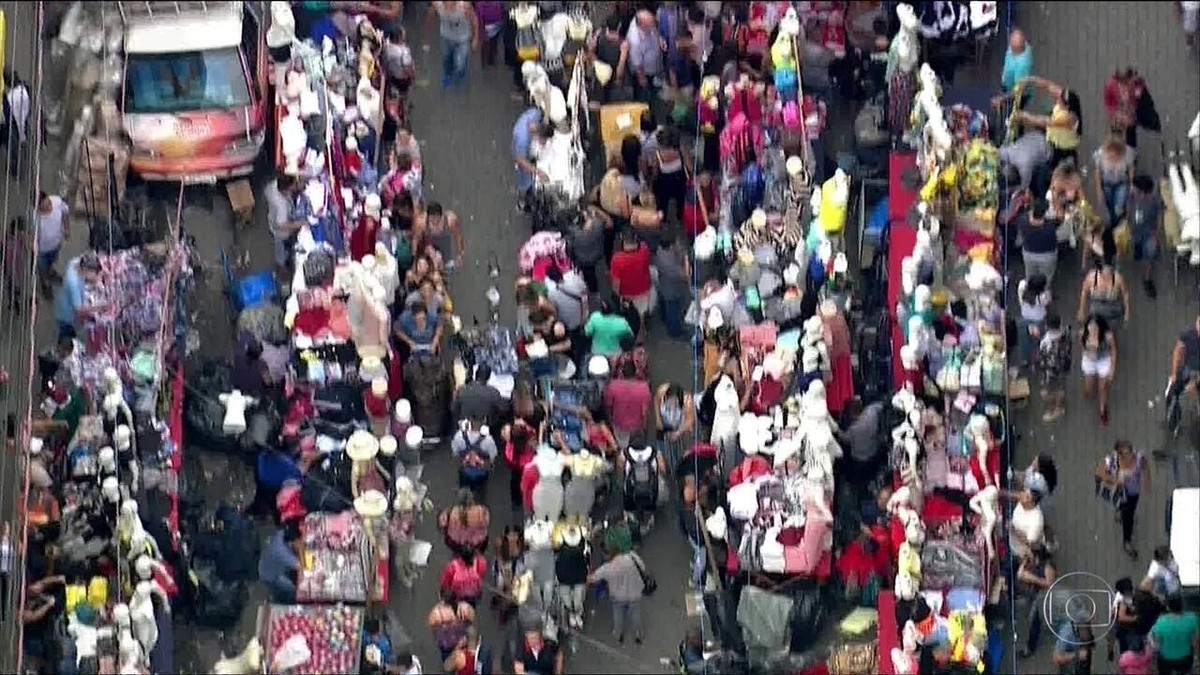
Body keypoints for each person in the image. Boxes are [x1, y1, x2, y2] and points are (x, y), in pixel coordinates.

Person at [1096, 439, 1148, 557]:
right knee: (1127, 518)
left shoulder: (1137, 458)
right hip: (1123, 494)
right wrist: (1117, 479)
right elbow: (1104, 475)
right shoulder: (1112, 461)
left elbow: (1142, 464)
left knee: (1130, 510)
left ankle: (1119, 514)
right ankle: (1127, 542)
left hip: (1134, 493)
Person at [588, 547, 650, 644]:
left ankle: (618, 634)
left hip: (618, 596)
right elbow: (643, 567)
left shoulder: (606, 569)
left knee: (618, 615)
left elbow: (591, 579)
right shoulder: (631, 556)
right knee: (635, 615)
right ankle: (637, 635)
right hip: (635, 592)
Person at [1018, 545, 1058, 658]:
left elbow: (1050, 584)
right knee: (1035, 619)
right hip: (1034, 594)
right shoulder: (1031, 562)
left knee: (1034, 621)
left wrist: (1031, 578)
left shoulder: (1048, 567)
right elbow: (1020, 574)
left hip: (1043, 597)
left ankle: (1030, 648)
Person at [427, 1, 479, 88]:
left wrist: (475, 39)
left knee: (460, 65)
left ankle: (460, 76)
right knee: (446, 59)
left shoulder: (464, 6)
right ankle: (447, 75)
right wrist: (427, 35)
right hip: (446, 38)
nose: (448, 7)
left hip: (462, 40)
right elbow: (430, 16)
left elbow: (474, 20)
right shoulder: (437, 4)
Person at [1079, 311, 1119, 423]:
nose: (1092, 330)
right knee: (1088, 387)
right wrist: (1086, 353)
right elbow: (1082, 347)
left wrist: (1112, 368)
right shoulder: (1083, 333)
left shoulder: (1107, 335)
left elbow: (1113, 350)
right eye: (1090, 327)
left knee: (1103, 388)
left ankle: (1102, 409)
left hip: (1104, 360)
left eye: (1095, 328)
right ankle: (1089, 392)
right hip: (1089, 361)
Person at [544, 266, 589, 366]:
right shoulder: (574, 278)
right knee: (581, 340)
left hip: (569, 323)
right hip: (581, 318)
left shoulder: (552, 294)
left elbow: (554, 311)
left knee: (573, 343)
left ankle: (575, 361)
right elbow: (584, 294)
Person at [1126, 175, 1162, 297]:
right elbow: (1127, 210)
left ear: (1142, 192)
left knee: (1150, 252)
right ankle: (1137, 252)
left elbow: (1159, 217)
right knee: (1137, 247)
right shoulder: (1131, 197)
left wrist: (1156, 236)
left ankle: (1147, 278)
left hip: (1148, 233)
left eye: (1135, 187)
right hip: (1134, 231)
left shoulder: (1154, 200)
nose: (1132, 188)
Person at [1092, 131, 1137, 228]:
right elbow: (1098, 172)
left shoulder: (1128, 153)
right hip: (1107, 183)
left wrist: (1132, 183)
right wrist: (1099, 190)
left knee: (1118, 207)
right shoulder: (1100, 154)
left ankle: (1119, 221)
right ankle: (1113, 223)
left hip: (1121, 183)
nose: (1112, 157)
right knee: (1109, 205)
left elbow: (1131, 168)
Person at [54, 252, 102, 340]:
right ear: (85, 270)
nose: (95, 276)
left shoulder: (75, 262)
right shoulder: (74, 284)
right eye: (94, 273)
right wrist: (99, 308)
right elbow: (79, 311)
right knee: (66, 336)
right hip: (67, 315)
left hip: (64, 301)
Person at [604, 361, 652, 449]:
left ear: (622, 373)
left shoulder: (613, 386)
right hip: (637, 427)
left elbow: (608, 407)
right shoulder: (644, 387)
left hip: (619, 425)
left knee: (622, 449)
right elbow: (645, 412)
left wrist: (610, 423)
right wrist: (645, 428)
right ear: (635, 372)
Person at [264, 174, 305, 274]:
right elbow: (282, 224)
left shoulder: (272, 185)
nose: (294, 187)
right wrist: (301, 224)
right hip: (281, 233)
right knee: (284, 251)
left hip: (272, 219)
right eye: (292, 187)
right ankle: (284, 268)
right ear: (285, 190)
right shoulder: (281, 205)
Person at [624, 9, 666, 105]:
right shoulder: (635, 40)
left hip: (655, 68)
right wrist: (643, 80)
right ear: (642, 26)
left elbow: (654, 31)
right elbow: (637, 65)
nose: (653, 26)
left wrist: (660, 39)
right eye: (651, 25)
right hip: (644, 74)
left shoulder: (646, 23)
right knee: (644, 99)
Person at [610, 234, 654, 324]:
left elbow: (616, 283)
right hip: (644, 291)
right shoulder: (644, 249)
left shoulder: (617, 259)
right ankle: (641, 334)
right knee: (641, 315)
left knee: (628, 316)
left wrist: (617, 297)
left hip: (627, 295)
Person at [1150, 594, 1199, 675]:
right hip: (1185, 658)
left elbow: (1157, 643)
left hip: (1165, 659)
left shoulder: (1160, 621)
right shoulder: (1192, 618)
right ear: (1183, 605)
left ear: (1168, 606)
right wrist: (1196, 656)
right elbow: (1196, 640)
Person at [655, 235, 692, 339]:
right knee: (673, 312)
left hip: (664, 285)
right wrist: (686, 257)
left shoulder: (660, 250)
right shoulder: (668, 264)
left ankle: (664, 318)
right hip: (672, 291)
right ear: (671, 246)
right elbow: (686, 274)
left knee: (667, 308)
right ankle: (674, 332)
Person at [589, 14, 631, 105]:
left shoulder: (599, 36)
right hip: (613, 78)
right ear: (619, 26)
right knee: (612, 106)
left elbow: (590, 51)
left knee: (600, 105)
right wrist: (618, 79)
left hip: (600, 77)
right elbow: (621, 65)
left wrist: (597, 64)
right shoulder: (623, 44)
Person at [1018, 197, 1060, 285]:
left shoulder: (1023, 221)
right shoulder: (1050, 226)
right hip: (1047, 256)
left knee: (1029, 276)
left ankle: (1030, 293)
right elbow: (1060, 218)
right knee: (1046, 278)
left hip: (1029, 254)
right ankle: (1044, 294)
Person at [1038, 314, 1072, 422]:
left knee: (1056, 389)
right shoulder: (1066, 333)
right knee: (1060, 386)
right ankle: (1057, 400)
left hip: (1052, 370)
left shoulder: (1047, 341)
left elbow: (1043, 356)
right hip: (1065, 366)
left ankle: (1058, 409)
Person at [34, 192, 70, 295]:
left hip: (56, 244)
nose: (48, 207)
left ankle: (50, 272)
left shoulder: (57, 201)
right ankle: (46, 285)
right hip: (42, 250)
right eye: (43, 207)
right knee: (43, 268)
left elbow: (65, 213)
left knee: (52, 261)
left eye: (48, 203)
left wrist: (67, 228)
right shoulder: (35, 217)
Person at [512, 107, 546, 211]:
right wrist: (538, 172)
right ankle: (521, 202)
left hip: (525, 148)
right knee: (524, 178)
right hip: (519, 155)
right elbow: (520, 160)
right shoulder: (523, 139)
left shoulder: (535, 114)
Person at [440, 487, 491, 557]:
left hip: (457, 544)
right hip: (477, 544)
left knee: (459, 558)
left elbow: (442, 524)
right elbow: (486, 522)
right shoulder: (481, 511)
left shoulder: (450, 513)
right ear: (472, 499)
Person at [414, 202, 465, 271]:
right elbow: (415, 239)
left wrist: (460, 254)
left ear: (442, 216)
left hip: (444, 242)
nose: (435, 224)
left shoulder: (450, 220)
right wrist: (415, 258)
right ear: (427, 217)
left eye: (438, 221)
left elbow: (458, 235)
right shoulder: (421, 223)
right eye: (432, 221)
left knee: (444, 267)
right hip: (429, 242)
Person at [654, 382, 694, 469]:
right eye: (670, 400)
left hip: (680, 427)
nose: (672, 403)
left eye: (674, 401)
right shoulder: (661, 391)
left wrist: (678, 433)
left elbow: (689, 421)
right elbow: (656, 402)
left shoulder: (687, 400)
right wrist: (658, 420)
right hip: (665, 427)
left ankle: (679, 470)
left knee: (681, 456)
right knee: (662, 454)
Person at [258, 524, 302, 603]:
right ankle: (285, 602)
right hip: (271, 575)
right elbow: (301, 567)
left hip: (268, 563)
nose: (301, 543)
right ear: (291, 542)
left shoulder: (282, 533)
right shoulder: (283, 553)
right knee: (292, 590)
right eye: (299, 541)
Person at [1103, 68, 1145, 149]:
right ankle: (1116, 153)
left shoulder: (1134, 84)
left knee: (1131, 137)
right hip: (1117, 115)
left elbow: (1138, 95)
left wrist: (1132, 108)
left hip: (1129, 113)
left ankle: (1131, 155)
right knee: (1116, 137)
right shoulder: (1111, 84)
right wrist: (1114, 113)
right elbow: (1108, 102)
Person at [1017, 274, 1051, 372]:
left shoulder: (1022, 286)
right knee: (1037, 343)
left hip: (1024, 320)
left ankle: (1024, 360)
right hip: (1038, 321)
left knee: (1024, 342)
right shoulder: (1044, 296)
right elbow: (1048, 305)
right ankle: (1035, 361)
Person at [452, 421, 497, 494]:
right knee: (481, 496)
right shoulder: (489, 440)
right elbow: (492, 459)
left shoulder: (458, 436)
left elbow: (455, 454)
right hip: (481, 475)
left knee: (463, 497)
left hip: (464, 474)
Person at [1168, 313, 1200, 404]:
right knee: (1175, 387)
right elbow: (1177, 352)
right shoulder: (1187, 336)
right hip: (1189, 370)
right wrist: (1174, 373)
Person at [5, 70, 30, 177]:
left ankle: (15, 171)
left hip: (14, 124)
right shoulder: (24, 90)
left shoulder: (10, 97)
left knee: (14, 148)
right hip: (22, 120)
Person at [475, 0, 505, 68]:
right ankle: (486, 61)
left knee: (493, 43)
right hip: (487, 24)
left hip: (496, 24)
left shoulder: (498, 3)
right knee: (486, 43)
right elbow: (479, 17)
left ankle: (491, 59)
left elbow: (502, 11)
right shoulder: (480, 4)